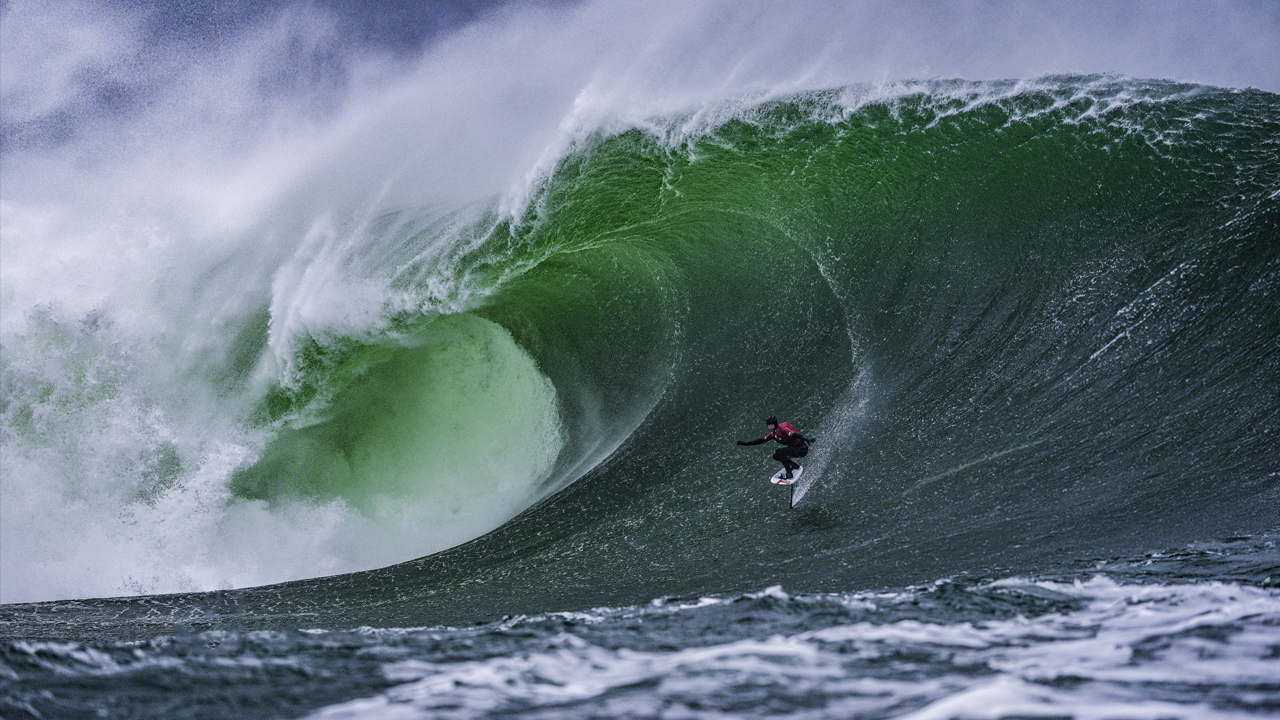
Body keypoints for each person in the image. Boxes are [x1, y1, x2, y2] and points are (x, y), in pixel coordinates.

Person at [737, 416, 815, 479]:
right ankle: (794, 465)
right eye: (768, 425)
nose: (770, 427)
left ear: (775, 424)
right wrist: (745, 443)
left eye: (771, 425)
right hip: (795, 449)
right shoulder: (772, 434)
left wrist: (806, 439)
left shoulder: (782, 429)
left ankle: (789, 474)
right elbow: (760, 440)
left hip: (801, 449)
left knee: (780, 452)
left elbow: (795, 434)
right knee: (776, 456)